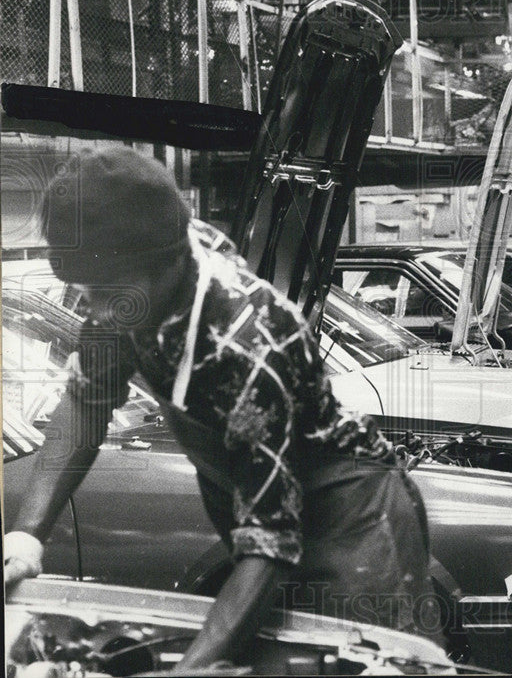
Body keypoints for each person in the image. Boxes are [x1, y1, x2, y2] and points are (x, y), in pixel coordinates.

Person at [3, 147, 441, 670]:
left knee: (365, 663)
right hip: (258, 508)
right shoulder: (131, 275)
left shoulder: (248, 343)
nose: (96, 311)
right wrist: (27, 534)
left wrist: (191, 669)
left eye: (106, 291)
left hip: (352, 519)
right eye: (86, 291)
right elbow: (86, 399)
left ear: (167, 266)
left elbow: (273, 542)